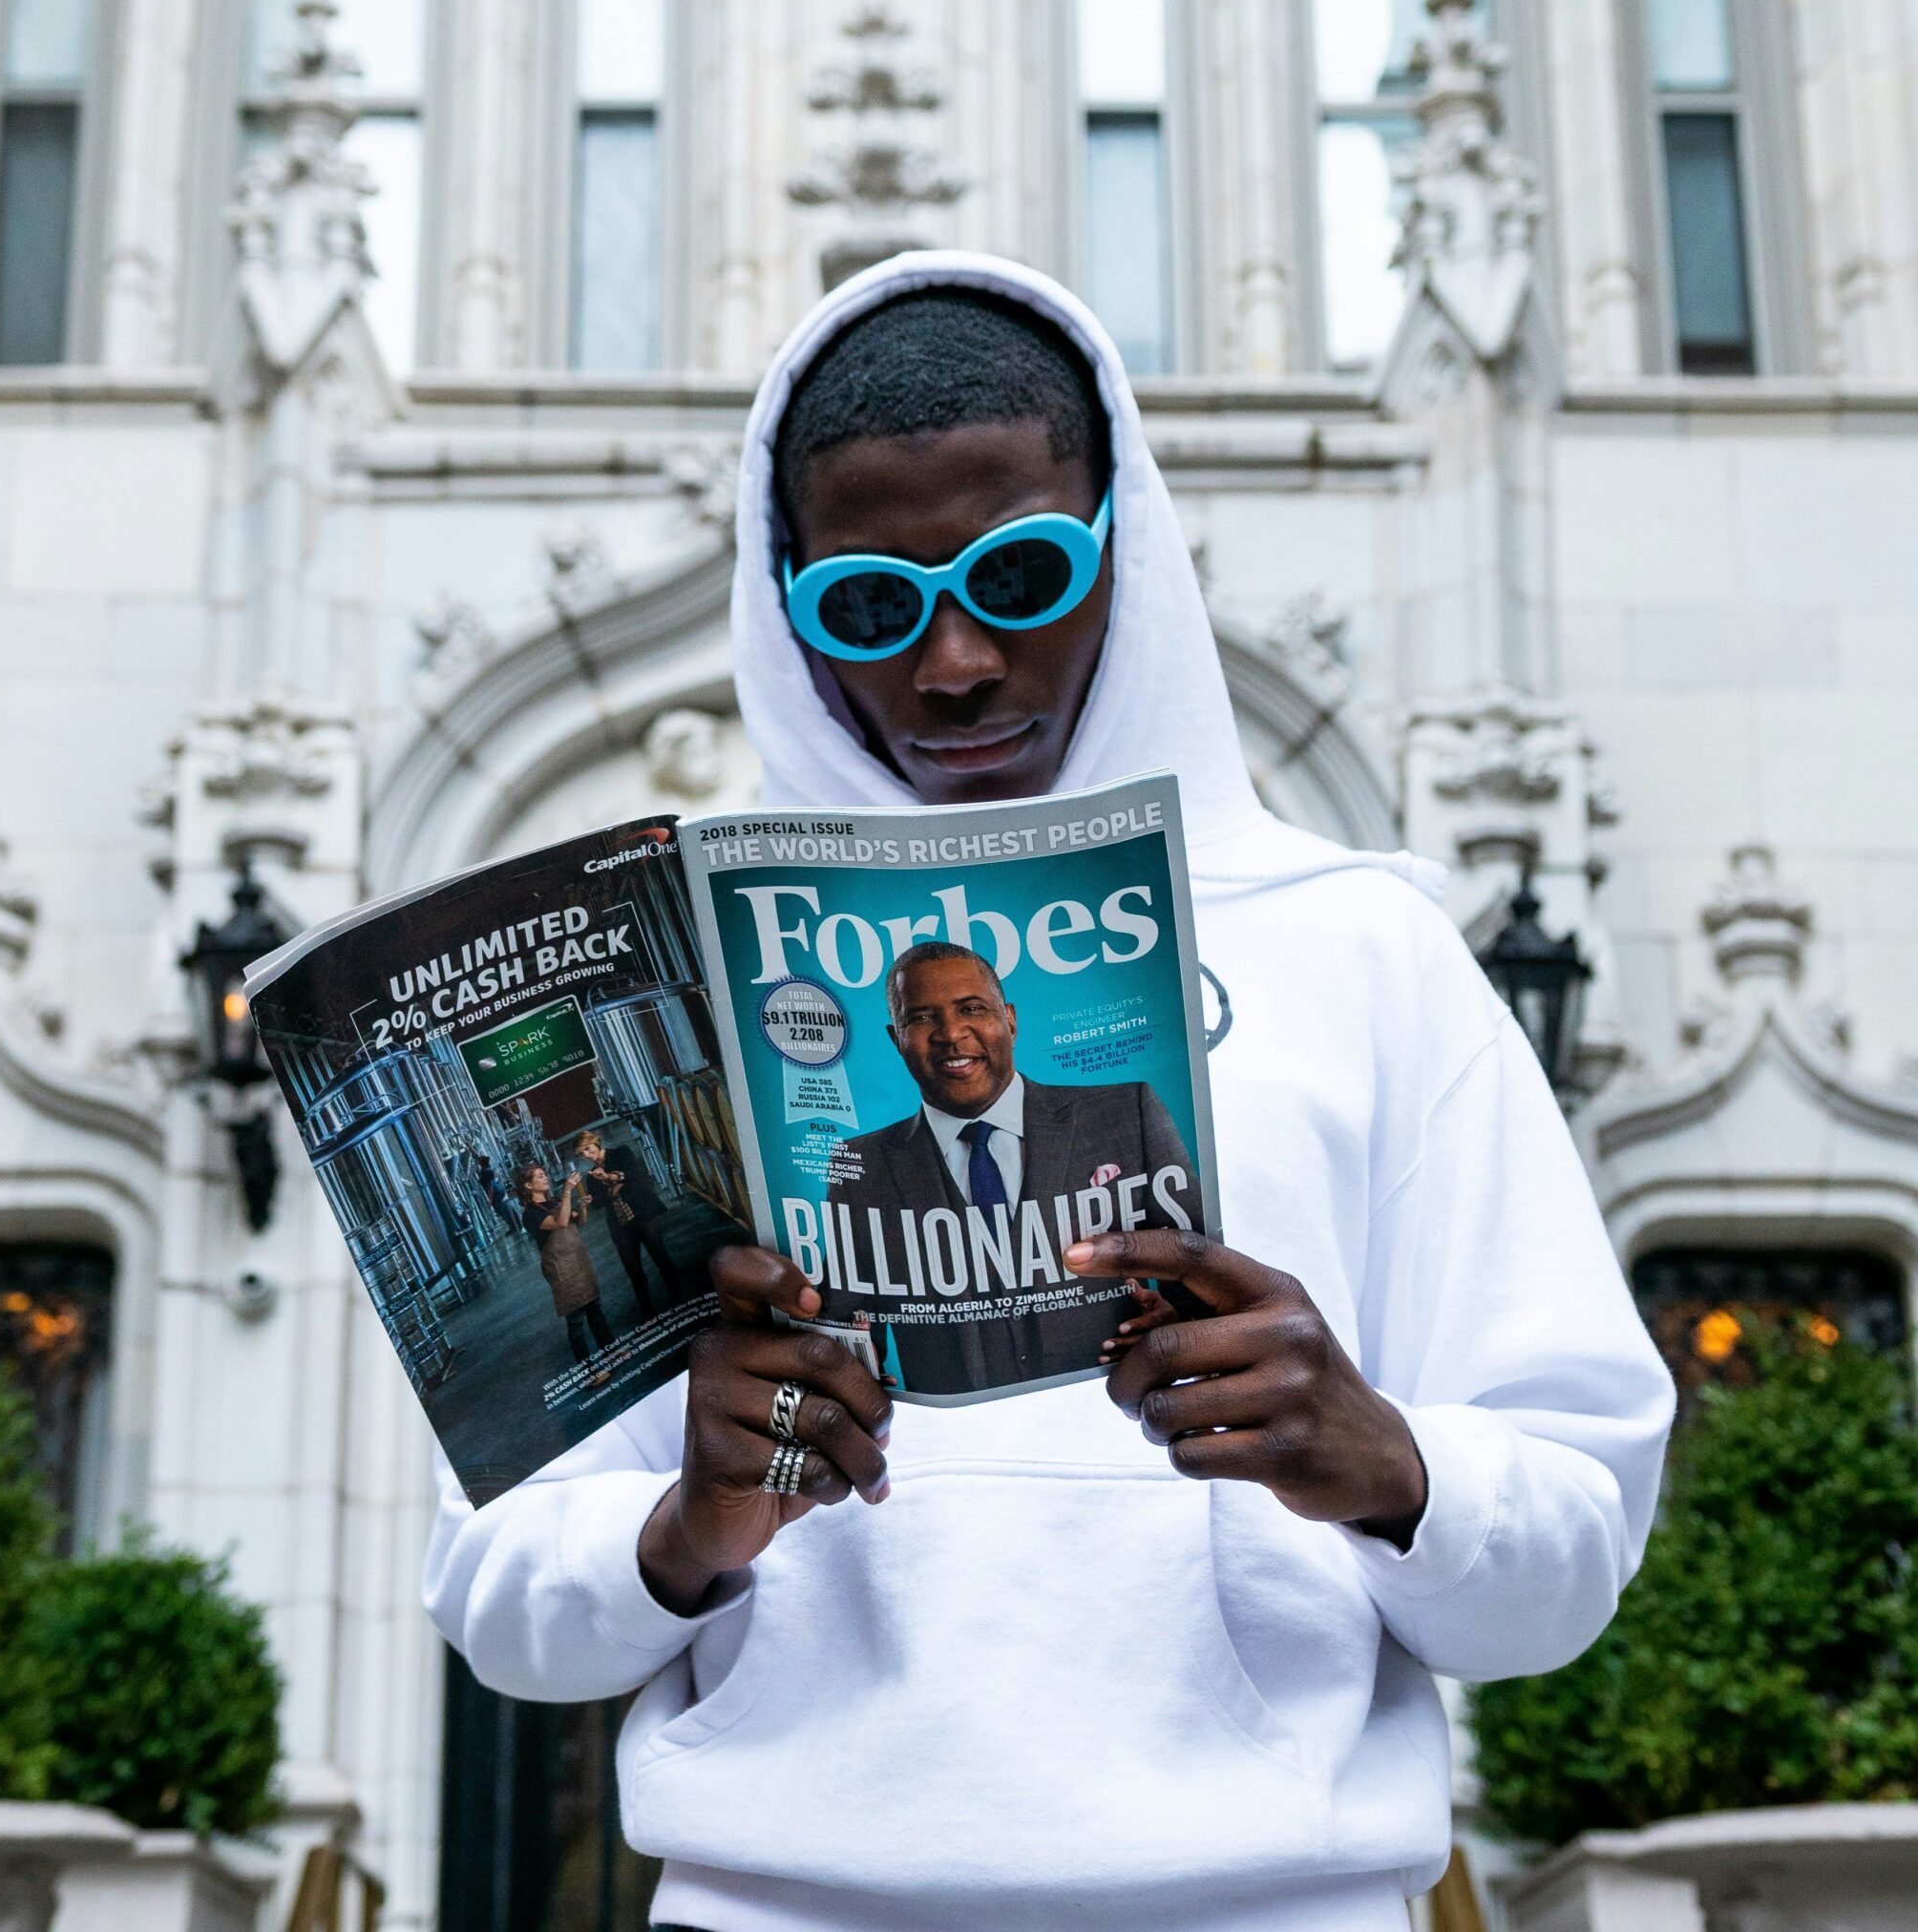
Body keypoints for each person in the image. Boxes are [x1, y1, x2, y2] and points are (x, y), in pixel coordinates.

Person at [430, 254, 1676, 1932]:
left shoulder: (1364, 946)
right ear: (779, 600)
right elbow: (499, 1603)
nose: (953, 663)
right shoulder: (679, 998)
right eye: (866, 603)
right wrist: (686, 1527)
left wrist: (1382, 1459)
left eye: (1019, 576)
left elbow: (1571, 1552)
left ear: (1123, 555)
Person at [822, 938, 1203, 1392]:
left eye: (972, 1009)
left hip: (1113, 1408)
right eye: (921, 1018)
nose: (950, 1034)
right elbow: (845, 1328)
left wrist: (1179, 1322)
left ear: (1010, 1019)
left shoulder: (1126, 1112)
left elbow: (1202, 1271)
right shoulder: (861, 1164)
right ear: (896, 1039)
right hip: (960, 1439)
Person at [514, 1163, 616, 1384]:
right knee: (576, 1320)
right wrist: (568, 1190)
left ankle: (612, 1353)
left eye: (544, 1174)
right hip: (561, 1269)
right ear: (529, 1185)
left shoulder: (555, 1202)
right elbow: (560, 1223)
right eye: (540, 1176)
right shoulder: (530, 1214)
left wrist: (584, 1206)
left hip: (578, 1262)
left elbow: (580, 1221)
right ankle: (589, 1374)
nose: (545, 1178)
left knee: (595, 1310)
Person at [576, 1129, 683, 1319]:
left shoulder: (620, 1152)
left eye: (587, 1149)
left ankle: (679, 1299)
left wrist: (609, 1179)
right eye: (581, 1153)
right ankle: (647, 1311)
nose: (585, 1155)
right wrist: (609, 1187)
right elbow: (599, 1203)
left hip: (644, 1213)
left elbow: (633, 1175)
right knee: (633, 1269)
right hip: (620, 1224)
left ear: (596, 1143)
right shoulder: (591, 1176)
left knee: (661, 1258)